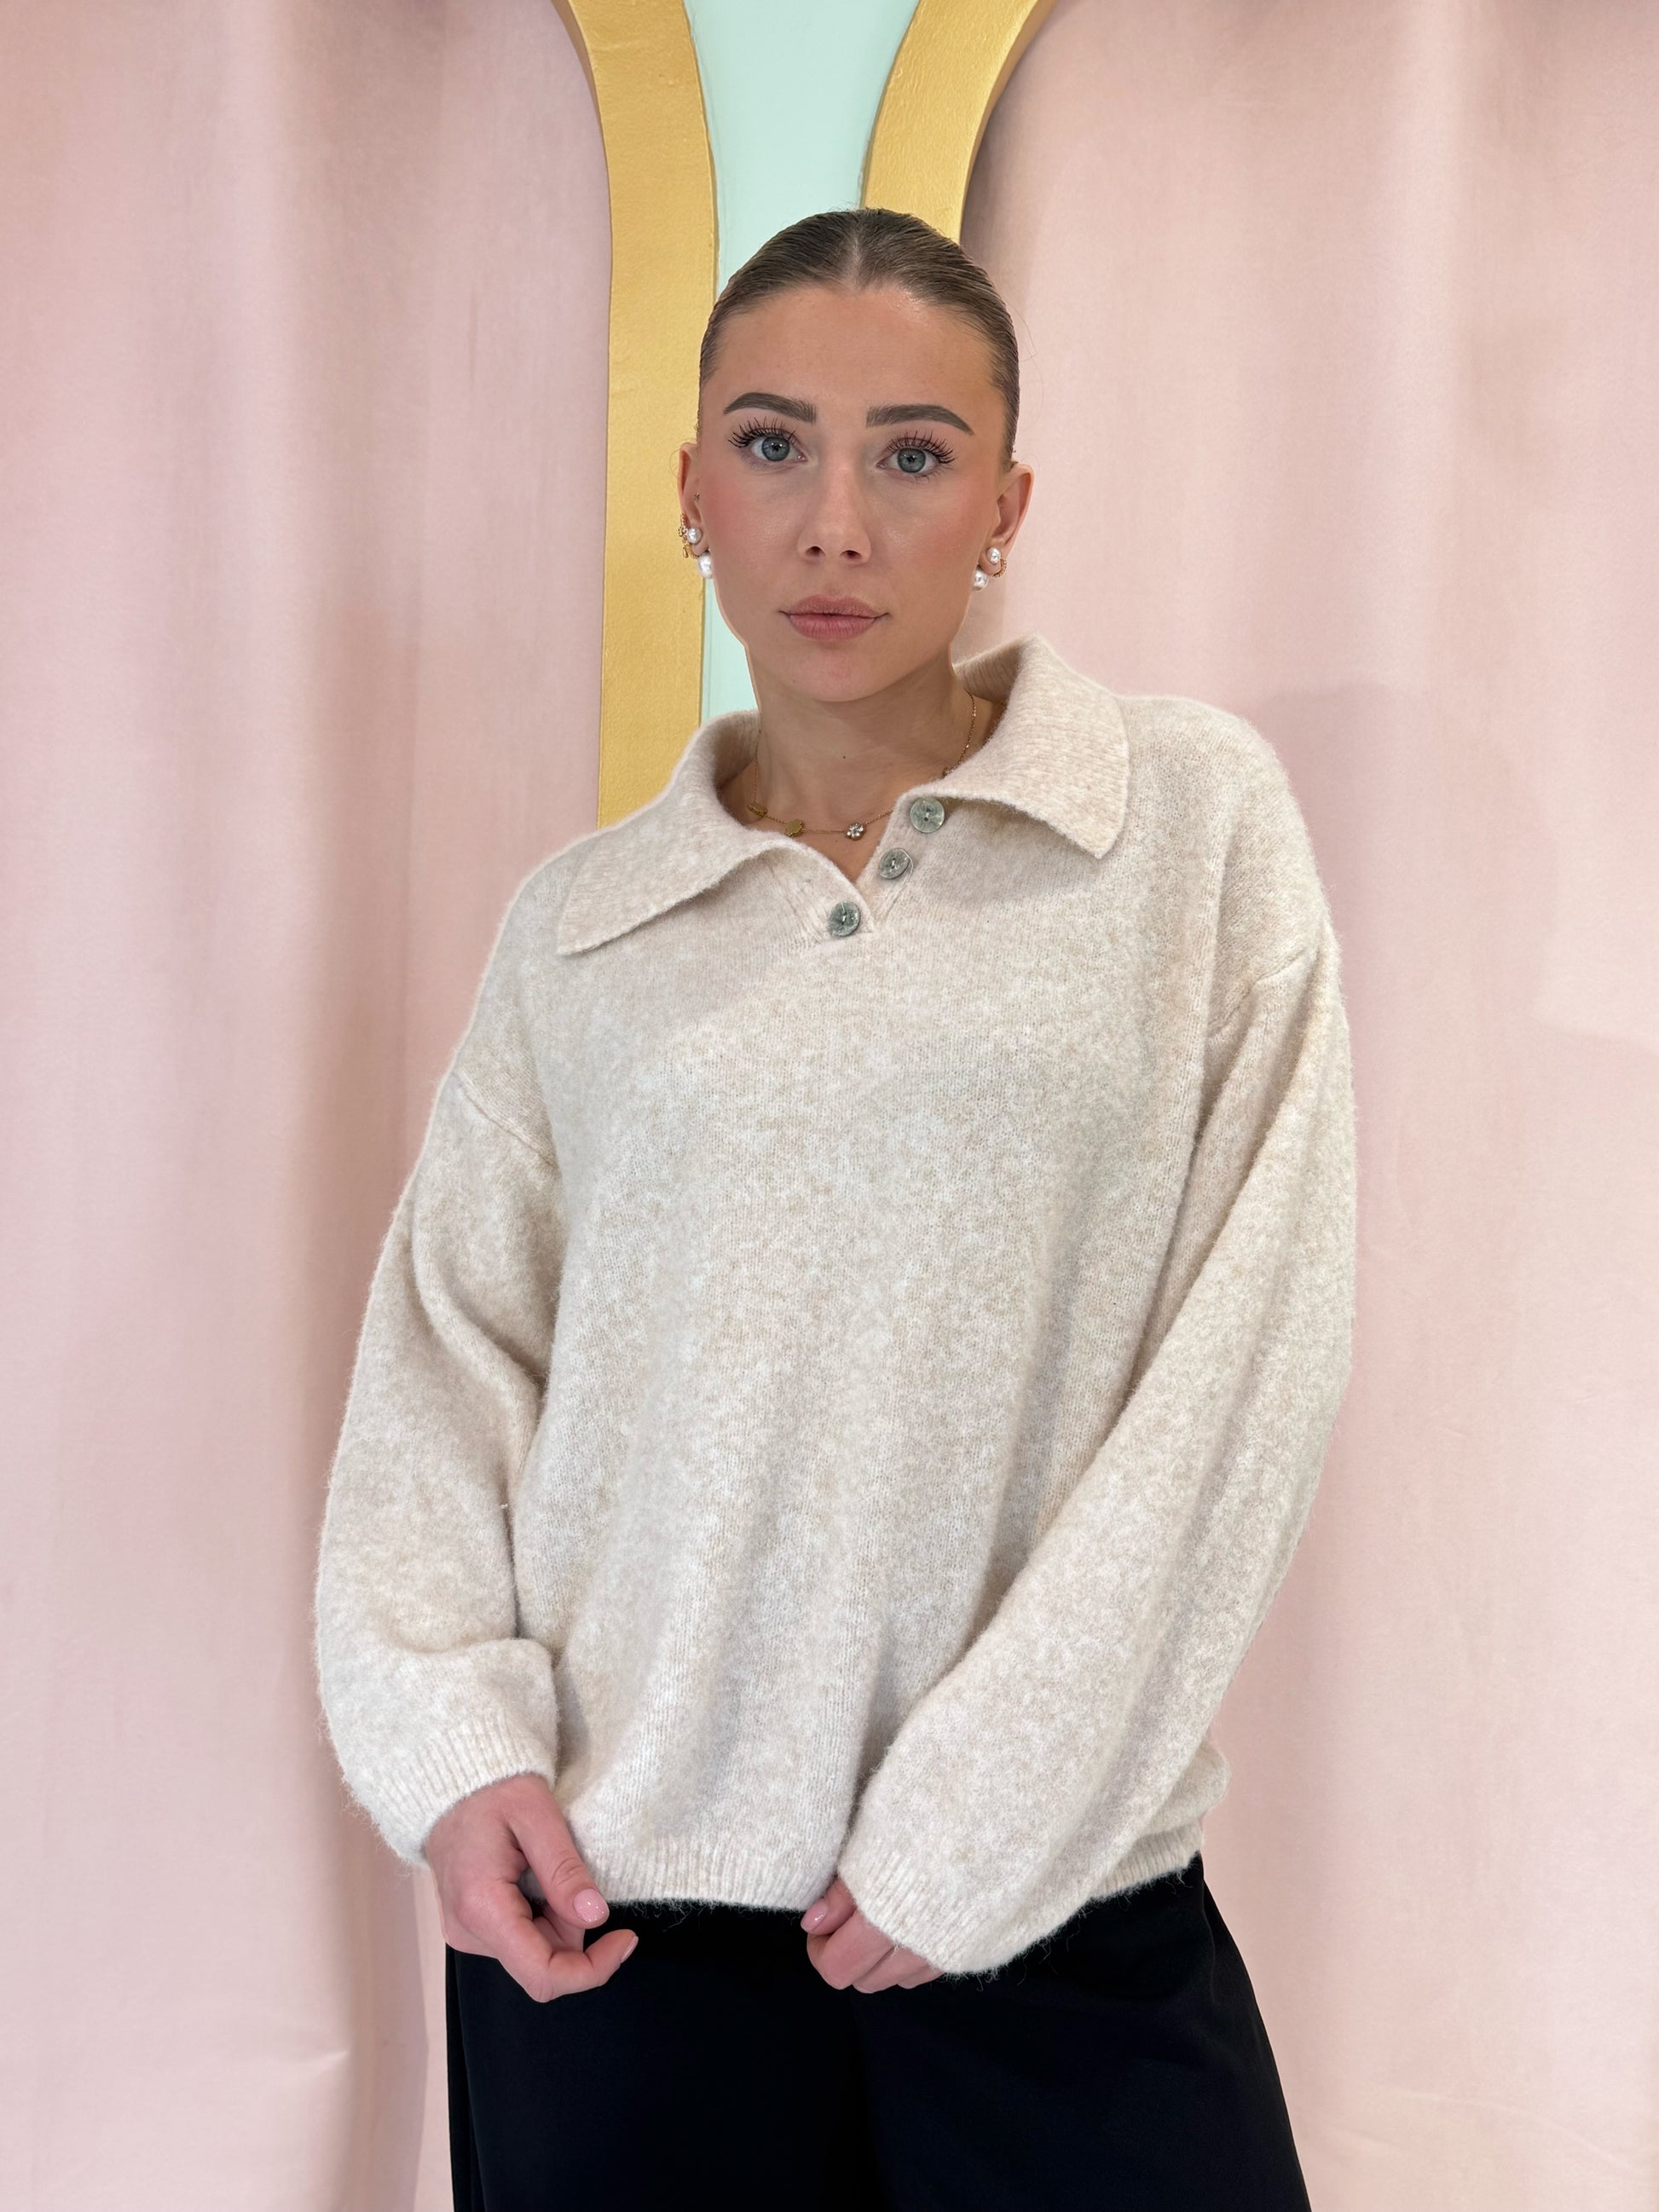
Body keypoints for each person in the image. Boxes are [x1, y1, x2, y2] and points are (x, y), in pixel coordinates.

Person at [315, 206, 1356, 2210]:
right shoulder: (582, 926)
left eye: (914, 453)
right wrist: (445, 1744)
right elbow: (448, 1357)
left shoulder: (1187, 828)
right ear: (691, 487)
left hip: (1058, 1911)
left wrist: (985, 1817)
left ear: (1005, 505)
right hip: (617, 1920)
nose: (837, 524)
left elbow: (1251, 1353)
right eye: (775, 444)